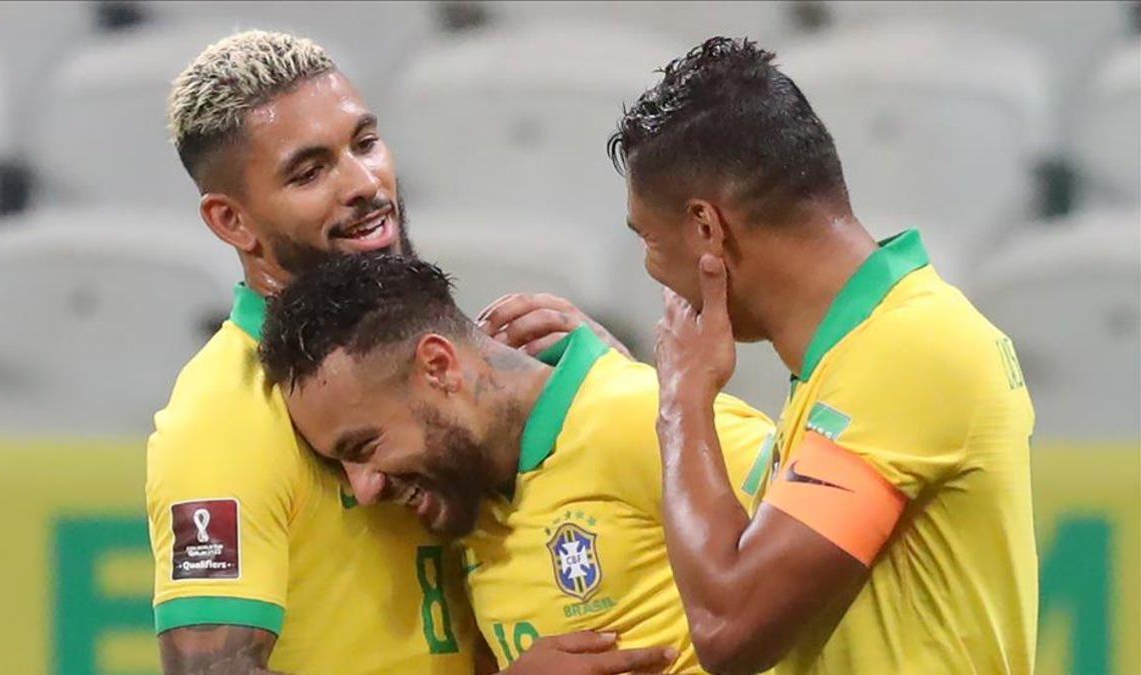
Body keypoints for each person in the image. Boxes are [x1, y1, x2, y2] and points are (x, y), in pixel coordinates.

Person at [148, 30, 645, 674]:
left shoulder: (441, 352)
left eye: (364, 143)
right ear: (232, 222)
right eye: (309, 172)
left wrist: (605, 389)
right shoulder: (225, 414)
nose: (363, 182)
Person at [607, 37, 1038, 674]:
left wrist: (681, 403)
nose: (653, 274)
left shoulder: (906, 351)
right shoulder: (860, 354)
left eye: (648, 240)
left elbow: (731, 627)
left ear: (707, 228)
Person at [256, 253, 777, 673]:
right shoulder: (466, 499)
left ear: (438, 368)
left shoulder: (637, 416)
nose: (365, 489)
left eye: (365, 446)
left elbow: (831, 568)